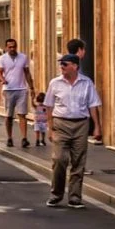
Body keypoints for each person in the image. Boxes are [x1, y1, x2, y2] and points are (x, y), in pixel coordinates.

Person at [45, 54, 102, 209]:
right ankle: (56, 194)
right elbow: (48, 106)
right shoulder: (55, 83)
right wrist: (50, 128)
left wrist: (97, 126)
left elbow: (93, 105)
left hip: (81, 124)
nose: (61, 66)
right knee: (59, 159)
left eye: (65, 64)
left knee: (78, 162)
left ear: (75, 66)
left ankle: (75, 197)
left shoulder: (87, 83)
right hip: (61, 123)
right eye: (61, 64)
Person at [0, 38, 36, 148]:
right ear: (6, 48)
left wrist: (32, 88)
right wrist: (2, 79)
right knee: (9, 116)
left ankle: (24, 138)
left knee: (22, 114)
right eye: (10, 47)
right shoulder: (2, 58)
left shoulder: (23, 57)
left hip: (22, 89)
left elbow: (27, 73)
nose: (12, 49)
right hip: (8, 89)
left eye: (14, 46)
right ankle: (9, 138)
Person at [67, 38, 103, 145]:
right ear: (79, 50)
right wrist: (97, 126)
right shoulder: (77, 67)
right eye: (84, 49)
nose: (85, 52)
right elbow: (92, 103)